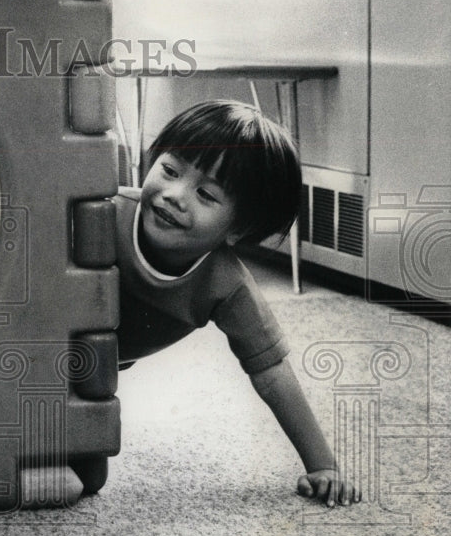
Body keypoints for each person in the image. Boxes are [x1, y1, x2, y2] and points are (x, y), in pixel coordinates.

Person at [115, 100, 360, 508]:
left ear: (239, 228)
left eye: (206, 194)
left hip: (92, 367)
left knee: (75, 473)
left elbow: (272, 371)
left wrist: (323, 465)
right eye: (170, 170)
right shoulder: (102, 212)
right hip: (8, 314)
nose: (174, 195)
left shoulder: (225, 285)